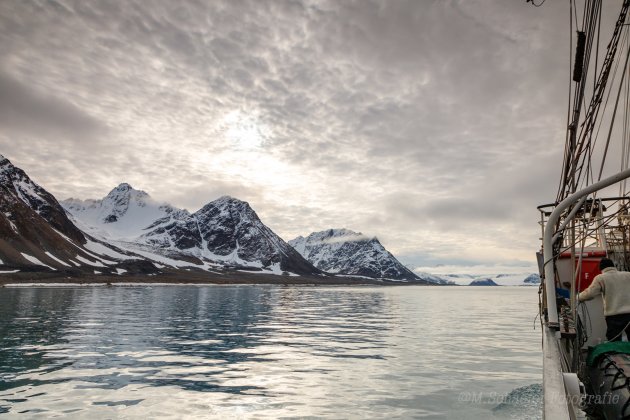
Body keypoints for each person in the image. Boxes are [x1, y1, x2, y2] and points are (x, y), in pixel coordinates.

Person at [578, 258, 630, 341]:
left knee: (614, 341)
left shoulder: (600, 278)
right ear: (613, 266)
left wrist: (578, 297)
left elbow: (590, 294)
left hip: (614, 316)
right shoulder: (628, 275)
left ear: (601, 269)